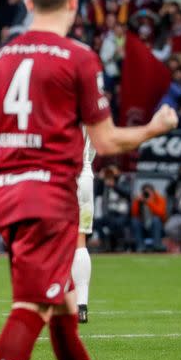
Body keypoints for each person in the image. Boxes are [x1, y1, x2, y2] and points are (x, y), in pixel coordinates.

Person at [0, 0, 177, 360]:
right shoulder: (77, 57)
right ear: (76, 5)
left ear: (28, 3)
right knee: (32, 307)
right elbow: (104, 140)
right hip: (50, 194)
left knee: (61, 312)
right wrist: (155, 128)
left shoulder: (0, 59)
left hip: (7, 190)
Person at [72, 134, 95, 323]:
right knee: (80, 241)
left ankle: (54, 300)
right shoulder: (88, 103)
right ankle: (82, 306)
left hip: (58, 175)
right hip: (85, 175)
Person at [130, 184, 167, 252]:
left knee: (156, 219)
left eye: (149, 192)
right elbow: (134, 214)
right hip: (143, 226)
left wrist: (150, 202)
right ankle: (140, 246)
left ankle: (157, 245)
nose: (147, 194)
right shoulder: (139, 200)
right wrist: (137, 201)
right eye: (145, 192)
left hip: (157, 227)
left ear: (153, 192)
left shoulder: (159, 199)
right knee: (135, 221)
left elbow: (161, 214)